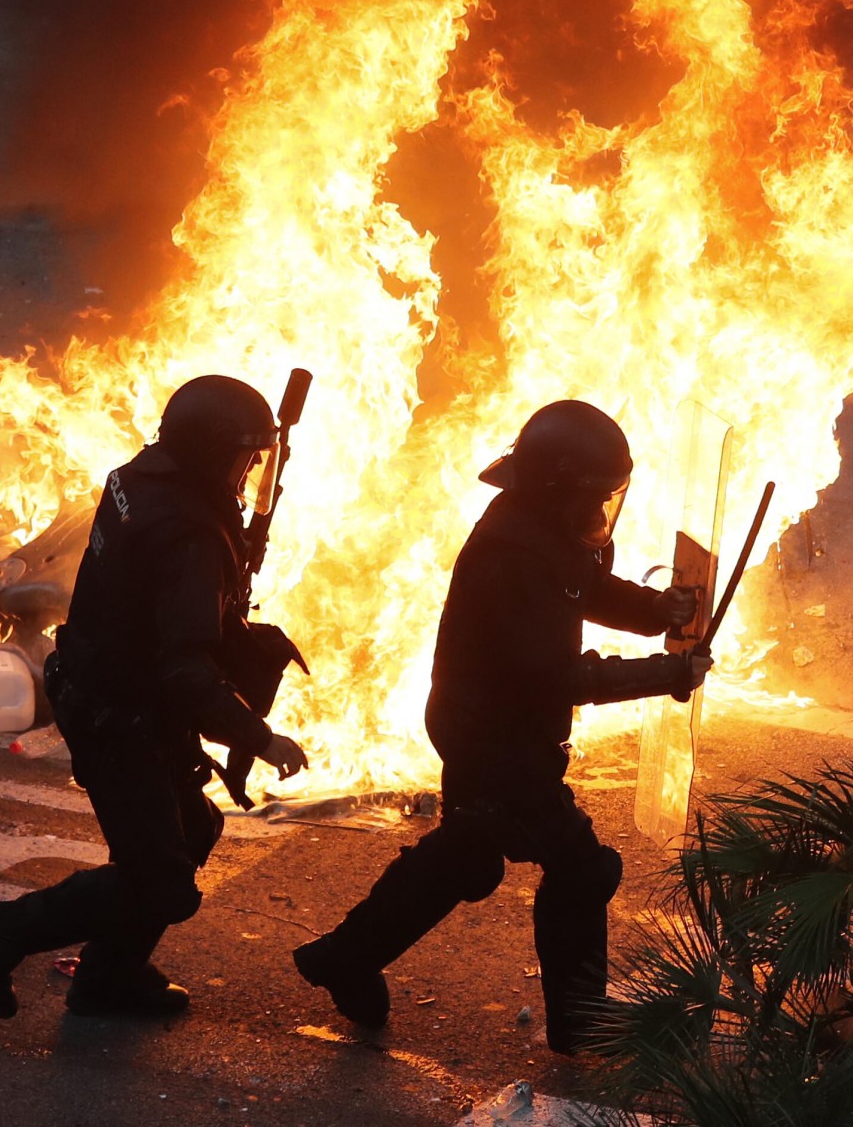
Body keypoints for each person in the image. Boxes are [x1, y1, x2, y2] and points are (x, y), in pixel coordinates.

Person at [293, 398, 708, 1054]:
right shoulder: (510, 554)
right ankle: (582, 1022)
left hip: (489, 724)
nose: (601, 514)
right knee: (583, 868)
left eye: (608, 499)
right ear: (554, 487)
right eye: (592, 498)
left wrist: (659, 609)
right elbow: (559, 677)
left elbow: (583, 586)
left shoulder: (541, 529)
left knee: (468, 857)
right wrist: (664, 673)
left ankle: (343, 957)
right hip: (496, 738)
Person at [0, 374, 308, 1019]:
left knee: (192, 828)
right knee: (161, 882)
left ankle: (108, 975)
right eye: (243, 454)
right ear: (209, 448)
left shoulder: (141, 478)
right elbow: (186, 668)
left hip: (109, 691)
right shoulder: (191, 532)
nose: (251, 467)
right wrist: (260, 736)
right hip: (122, 717)